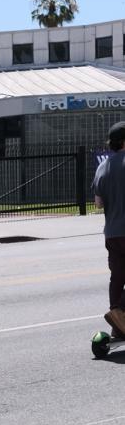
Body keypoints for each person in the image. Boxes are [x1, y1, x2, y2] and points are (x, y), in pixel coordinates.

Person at [94, 123, 125, 336]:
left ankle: (118, 324)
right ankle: (120, 312)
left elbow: (98, 203)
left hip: (112, 233)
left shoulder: (102, 167)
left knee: (118, 277)